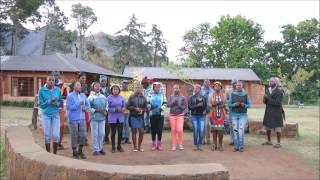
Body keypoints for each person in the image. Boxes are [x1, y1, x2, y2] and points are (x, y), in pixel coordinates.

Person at [38, 75, 62, 154]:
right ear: (46, 81)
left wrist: (56, 103)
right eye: (50, 80)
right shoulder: (42, 90)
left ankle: (54, 154)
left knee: (56, 136)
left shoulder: (58, 90)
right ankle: (48, 154)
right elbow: (41, 105)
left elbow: (60, 103)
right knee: (47, 136)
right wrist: (49, 101)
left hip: (55, 114)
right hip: (46, 115)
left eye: (53, 80)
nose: (51, 82)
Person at [66, 81, 89, 159]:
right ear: (74, 87)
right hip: (73, 118)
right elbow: (69, 108)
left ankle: (80, 150)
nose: (80, 86)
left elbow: (87, 105)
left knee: (83, 135)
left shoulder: (83, 95)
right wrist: (78, 104)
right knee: (74, 135)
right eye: (78, 85)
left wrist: (85, 108)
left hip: (82, 118)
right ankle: (74, 151)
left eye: (80, 85)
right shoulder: (70, 96)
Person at [228, 80, 251, 152]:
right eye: (237, 85)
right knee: (235, 131)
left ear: (242, 86)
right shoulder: (232, 94)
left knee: (240, 131)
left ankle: (241, 146)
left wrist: (244, 105)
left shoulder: (246, 95)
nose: (238, 86)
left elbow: (249, 105)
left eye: (240, 85)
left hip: (243, 115)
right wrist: (234, 104)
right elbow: (229, 105)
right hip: (234, 115)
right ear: (235, 86)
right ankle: (236, 146)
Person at [262, 77, 285, 148]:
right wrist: (264, 99)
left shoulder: (280, 91)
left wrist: (268, 98)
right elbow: (266, 102)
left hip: (276, 112)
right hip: (268, 111)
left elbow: (277, 103)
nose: (269, 82)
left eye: (271, 81)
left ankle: (278, 143)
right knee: (267, 126)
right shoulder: (268, 90)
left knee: (277, 127)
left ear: (276, 83)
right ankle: (269, 141)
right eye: (269, 81)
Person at [127, 83, 147, 152]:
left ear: (142, 89)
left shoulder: (144, 98)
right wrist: (135, 108)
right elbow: (128, 106)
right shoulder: (131, 97)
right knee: (134, 131)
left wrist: (142, 110)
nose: (138, 89)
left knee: (141, 131)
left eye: (139, 87)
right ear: (134, 88)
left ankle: (139, 146)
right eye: (137, 87)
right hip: (133, 116)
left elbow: (146, 108)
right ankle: (135, 147)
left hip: (140, 117)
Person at [88, 82, 107, 156]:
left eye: (99, 86)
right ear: (93, 87)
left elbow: (107, 105)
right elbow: (88, 108)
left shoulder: (103, 96)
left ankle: (100, 148)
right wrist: (96, 110)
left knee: (102, 133)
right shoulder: (90, 97)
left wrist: (106, 110)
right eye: (96, 86)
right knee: (95, 134)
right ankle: (95, 149)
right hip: (94, 118)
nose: (98, 87)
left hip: (102, 117)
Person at [147, 82, 167, 151]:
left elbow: (165, 103)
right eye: (155, 87)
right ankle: (153, 144)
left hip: (160, 115)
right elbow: (147, 103)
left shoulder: (162, 95)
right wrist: (151, 106)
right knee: (153, 130)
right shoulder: (150, 95)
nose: (157, 88)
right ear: (153, 88)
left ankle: (159, 144)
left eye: (158, 87)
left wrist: (161, 108)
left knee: (159, 130)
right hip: (152, 114)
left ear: (160, 88)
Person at [107, 84, 126, 153]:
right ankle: (113, 147)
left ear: (119, 90)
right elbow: (107, 108)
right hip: (112, 118)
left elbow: (124, 106)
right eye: (114, 89)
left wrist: (123, 109)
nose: (115, 90)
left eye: (117, 89)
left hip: (120, 117)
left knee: (120, 132)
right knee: (113, 133)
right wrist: (114, 110)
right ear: (112, 90)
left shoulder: (122, 98)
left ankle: (119, 146)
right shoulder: (109, 98)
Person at [167, 84, 187, 151]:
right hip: (172, 115)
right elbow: (168, 105)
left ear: (179, 89)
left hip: (180, 115)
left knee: (180, 130)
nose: (176, 89)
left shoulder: (182, 97)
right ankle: (174, 144)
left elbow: (185, 106)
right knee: (173, 130)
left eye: (177, 88)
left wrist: (179, 105)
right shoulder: (171, 97)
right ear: (173, 89)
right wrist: (173, 102)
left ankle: (180, 144)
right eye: (175, 88)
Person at [208, 81, 227, 151]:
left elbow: (225, 104)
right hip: (213, 114)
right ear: (213, 87)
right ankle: (214, 144)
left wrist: (223, 105)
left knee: (221, 130)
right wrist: (214, 104)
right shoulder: (211, 95)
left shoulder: (224, 95)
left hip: (221, 115)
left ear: (221, 87)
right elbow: (209, 105)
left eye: (219, 86)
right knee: (214, 130)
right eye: (216, 86)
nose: (217, 87)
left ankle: (220, 144)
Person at [52, 71, 68, 150]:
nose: (56, 77)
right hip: (51, 108)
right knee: (53, 126)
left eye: (57, 75)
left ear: (59, 76)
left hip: (60, 108)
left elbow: (65, 96)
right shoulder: (48, 85)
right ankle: (54, 142)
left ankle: (59, 143)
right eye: (54, 75)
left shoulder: (63, 85)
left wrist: (59, 98)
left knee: (61, 126)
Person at [188, 84, 207, 151]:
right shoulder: (191, 97)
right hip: (194, 116)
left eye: (196, 88)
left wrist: (205, 111)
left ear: (200, 89)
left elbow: (206, 107)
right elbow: (189, 107)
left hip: (202, 116)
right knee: (195, 130)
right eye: (194, 88)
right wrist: (197, 105)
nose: (195, 89)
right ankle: (196, 145)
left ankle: (200, 144)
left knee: (201, 130)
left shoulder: (204, 98)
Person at [201, 79, 214, 145]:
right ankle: (203, 139)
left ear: (209, 83)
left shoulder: (212, 91)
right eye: (205, 82)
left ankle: (208, 139)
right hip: (202, 110)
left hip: (209, 110)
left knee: (208, 125)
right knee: (203, 125)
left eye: (208, 82)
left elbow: (213, 100)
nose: (206, 84)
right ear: (203, 83)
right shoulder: (201, 90)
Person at [78, 72, 90, 145]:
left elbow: (88, 95)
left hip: (85, 106)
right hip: (78, 107)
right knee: (79, 123)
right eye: (82, 78)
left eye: (85, 78)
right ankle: (79, 139)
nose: (84, 79)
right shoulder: (75, 85)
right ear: (79, 78)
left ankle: (84, 138)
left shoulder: (86, 86)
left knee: (87, 122)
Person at [119, 80, 133, 144]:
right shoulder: (119, 92)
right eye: (124, 83)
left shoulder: (131, 93)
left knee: (127, 125)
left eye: (126, 84)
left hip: (129, 112)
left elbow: (133, 101)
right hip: (121, 112)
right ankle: (123, 137)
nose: (125, 85)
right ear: (121, 84)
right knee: (122, 125)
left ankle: (127, 138)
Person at [99, 75, 111, 144]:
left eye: (105, 81)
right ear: (100, 81)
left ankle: (106, 137)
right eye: (102, 81)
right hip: (100, 110)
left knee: (107, 124)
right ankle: (102, 138)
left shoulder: (109, 89)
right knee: (101, 124)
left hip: (108, 110)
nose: (103, 82)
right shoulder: (97, 89)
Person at [226, 79, 238, 146]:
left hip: (238, 111)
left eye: (235, 83)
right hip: (231, 110)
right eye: (233, 83)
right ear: (231, 84)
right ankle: (232, 140)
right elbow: (226, 100)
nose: (234, 84)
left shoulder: (240, 91)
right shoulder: (229, 91)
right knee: (231, 125)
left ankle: (237, 140)